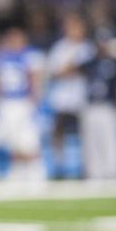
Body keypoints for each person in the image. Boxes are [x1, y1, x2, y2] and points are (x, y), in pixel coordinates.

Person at [0, 27, 45, 181]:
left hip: (23, 101)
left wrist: (34, 98)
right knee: (13, 140)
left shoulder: (30, 55)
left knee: (28, 139)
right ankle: (18, 171)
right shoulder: (2, 56)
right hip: (7, 101)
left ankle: (35, 172)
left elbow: (35, 78)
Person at [47, 14, 95, 178]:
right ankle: (59, 167)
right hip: (61, 98)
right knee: (58, 134)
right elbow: (56, 72)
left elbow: (88, 70)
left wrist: (71, 68)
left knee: (84, 135)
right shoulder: (59, 47)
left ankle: (84, 167)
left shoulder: (88, 48)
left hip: (81, 98)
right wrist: (72, 68)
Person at [81, 29, 116, 179]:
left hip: (108, 106)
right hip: (91, 105)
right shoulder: (90, 62)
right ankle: (94, 173)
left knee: (110, 140)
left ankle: (113, 171)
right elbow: (73, 70)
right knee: (91, 141)